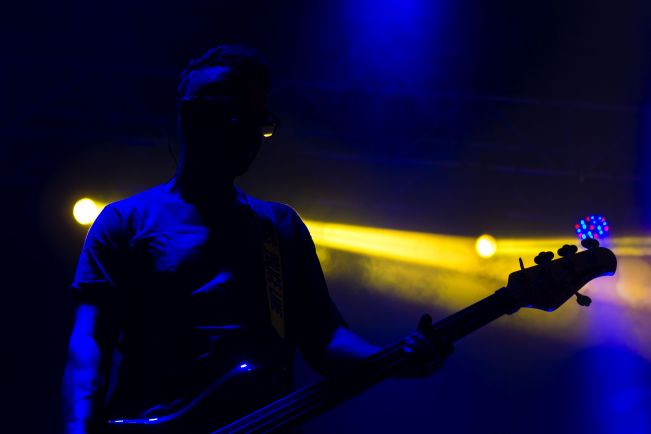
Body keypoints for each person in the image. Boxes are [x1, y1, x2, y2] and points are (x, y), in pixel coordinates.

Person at [62, 44, 451, 434]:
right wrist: (79, 426)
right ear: (191, 118)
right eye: (237, 115)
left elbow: (324, 338)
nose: (252, 134)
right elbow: (90, 340)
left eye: (259, 120)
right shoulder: (125, 222)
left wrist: (396, 358)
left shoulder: (279, 227)